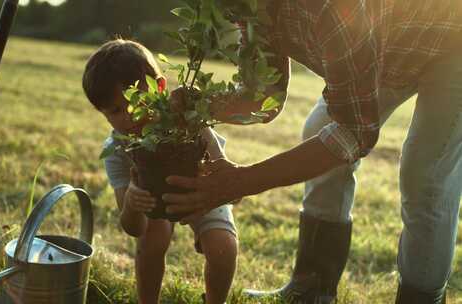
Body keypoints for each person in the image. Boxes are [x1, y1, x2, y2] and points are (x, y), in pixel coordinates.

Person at [162, 1, 462, 303]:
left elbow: (354, 133)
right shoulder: (249, 7)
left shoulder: (329, 7)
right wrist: (199, 106)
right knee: (319, 126)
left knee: (426, 177)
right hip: (396, 44)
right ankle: (313, 288)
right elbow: (263, 95)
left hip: (454, 40)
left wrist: (240, 182)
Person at [81, 39, 239, 304]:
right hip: (156, 203)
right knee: (150, 240)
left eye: (137, 101)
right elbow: (131, 227)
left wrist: (216, 185)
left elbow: (222, 172)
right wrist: (132, 202)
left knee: (223, 245)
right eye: (115, 111)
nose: (129, 117)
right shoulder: (119, 150)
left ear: (160, 88)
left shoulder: (186, 120)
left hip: (202, 191)